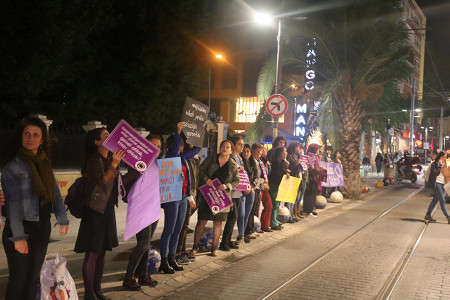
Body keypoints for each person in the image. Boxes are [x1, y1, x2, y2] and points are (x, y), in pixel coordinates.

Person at [1, 117, 69, 300]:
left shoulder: (43, 161)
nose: (30, 138)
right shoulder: (13, 167)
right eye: (26, 134)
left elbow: (54, 191)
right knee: (19, 280)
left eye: (35, 134)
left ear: (42, 139)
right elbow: (13, 207)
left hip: (41, 227)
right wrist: (19, 238)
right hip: (20, 229)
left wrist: (62, 216)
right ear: (21, 136)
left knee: (33, 280)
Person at [74, 127, 125, 300]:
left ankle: (97, 290)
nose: (110, 137)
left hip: (107, 211)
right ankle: (89, 293)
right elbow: (103, 182)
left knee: (102, 252)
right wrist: (114, 165)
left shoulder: (110, 157)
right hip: (95, 212)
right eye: (105, 135)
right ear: (97, 142)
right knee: (93, 253)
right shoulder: (94, 160)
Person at [122, 134, 162, 290]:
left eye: (159, 146)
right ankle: (129, 277)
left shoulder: (159, 164)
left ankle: (143, 275)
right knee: (143, 243)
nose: (156, 149)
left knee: (147, 244)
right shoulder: (139, 163)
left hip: (153, 207)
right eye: (153, 145)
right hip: (141, 208)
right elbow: (126, 181)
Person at [159, 122, 200, 273]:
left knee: (178, 229)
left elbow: (198, 149)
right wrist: (178, 132)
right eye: (180, 144)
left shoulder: (182, 158)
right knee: (169, 229)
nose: (181, 147)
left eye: (182, 144)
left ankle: (172, 257)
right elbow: (175, 148)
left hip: (183, 197)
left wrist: (204, 134)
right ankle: (164, 260)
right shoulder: (170, 156)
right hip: (172, 196)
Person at [190, 140, 239, 257]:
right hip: (208, 194)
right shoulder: (211, 159)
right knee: (201, 221)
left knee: (218, 223)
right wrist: (206, 179)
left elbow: (236, 180)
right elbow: (200, 170)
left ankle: (214, 248)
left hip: (222, 198)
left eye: (228, 147)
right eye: (223, 146)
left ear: (231, 151)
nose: (225, 148)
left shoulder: (233, 164)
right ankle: (195, 247)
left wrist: (227, 186)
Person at [220, 135, 246, 251]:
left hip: (238, 192)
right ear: (234, 146)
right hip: (231, 192)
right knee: (232, 217)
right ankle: (224, 242)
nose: (242, 146)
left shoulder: (239, 158)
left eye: (242, 144)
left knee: (234, 218)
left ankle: (228, 240)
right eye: (239, 144)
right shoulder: (231, 159)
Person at [238, 144, 256, 241]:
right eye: (244, 151)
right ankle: (240, 234)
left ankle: (243, 234)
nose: (245, 153)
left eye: (247, 151)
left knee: (248, 213)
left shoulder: (253, 163)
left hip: (251, 191)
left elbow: (255, 177)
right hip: (242, 191)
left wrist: (251, 186)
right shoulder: (240, 162)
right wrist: (245, 187)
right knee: (242, 214)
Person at [269, 146, 290, 230]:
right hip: (274, 185)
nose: (286, 153)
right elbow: (277, 174)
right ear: (281, 153)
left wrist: (286, 168)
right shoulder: (275, 163)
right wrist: (285, 173)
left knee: (277, 205)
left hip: (279, 185)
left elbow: (283, 172)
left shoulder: (282, 162)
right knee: (274, 204)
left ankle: (275, 221)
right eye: (285, 151)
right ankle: (273, 223)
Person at [424, 152, 450, 223]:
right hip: (436, 184)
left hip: (442, 185)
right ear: (440, 157)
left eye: (445, 157)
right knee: (442, 200)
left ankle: (428, 215)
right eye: (443, 157)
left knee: (435, 200)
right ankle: (448, 217)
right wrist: (440, 166)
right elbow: (436, 173)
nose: (445, 159)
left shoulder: (446, 164)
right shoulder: (434, 164)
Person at [302, 143, 326, 217]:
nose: (319, 150)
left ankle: (309, 209)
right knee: (311, 194)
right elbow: (314, 169)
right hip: (313, 178)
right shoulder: (313, 157)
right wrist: (322, 169)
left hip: (312, 178)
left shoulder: (311, 156)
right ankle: (309, 210)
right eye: (317, 149)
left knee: (311, 194)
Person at [285, 142, 304, 222]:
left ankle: (293, 214)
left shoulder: (298, 157)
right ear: (293, 147)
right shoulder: (289, 156)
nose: (299, 149)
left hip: (298, 178)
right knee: (289, 199)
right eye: (297, 147)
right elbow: (289, 168)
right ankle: (288, 216)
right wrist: (296, 164)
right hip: (291, 179)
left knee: (295, 198)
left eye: (300, 148)